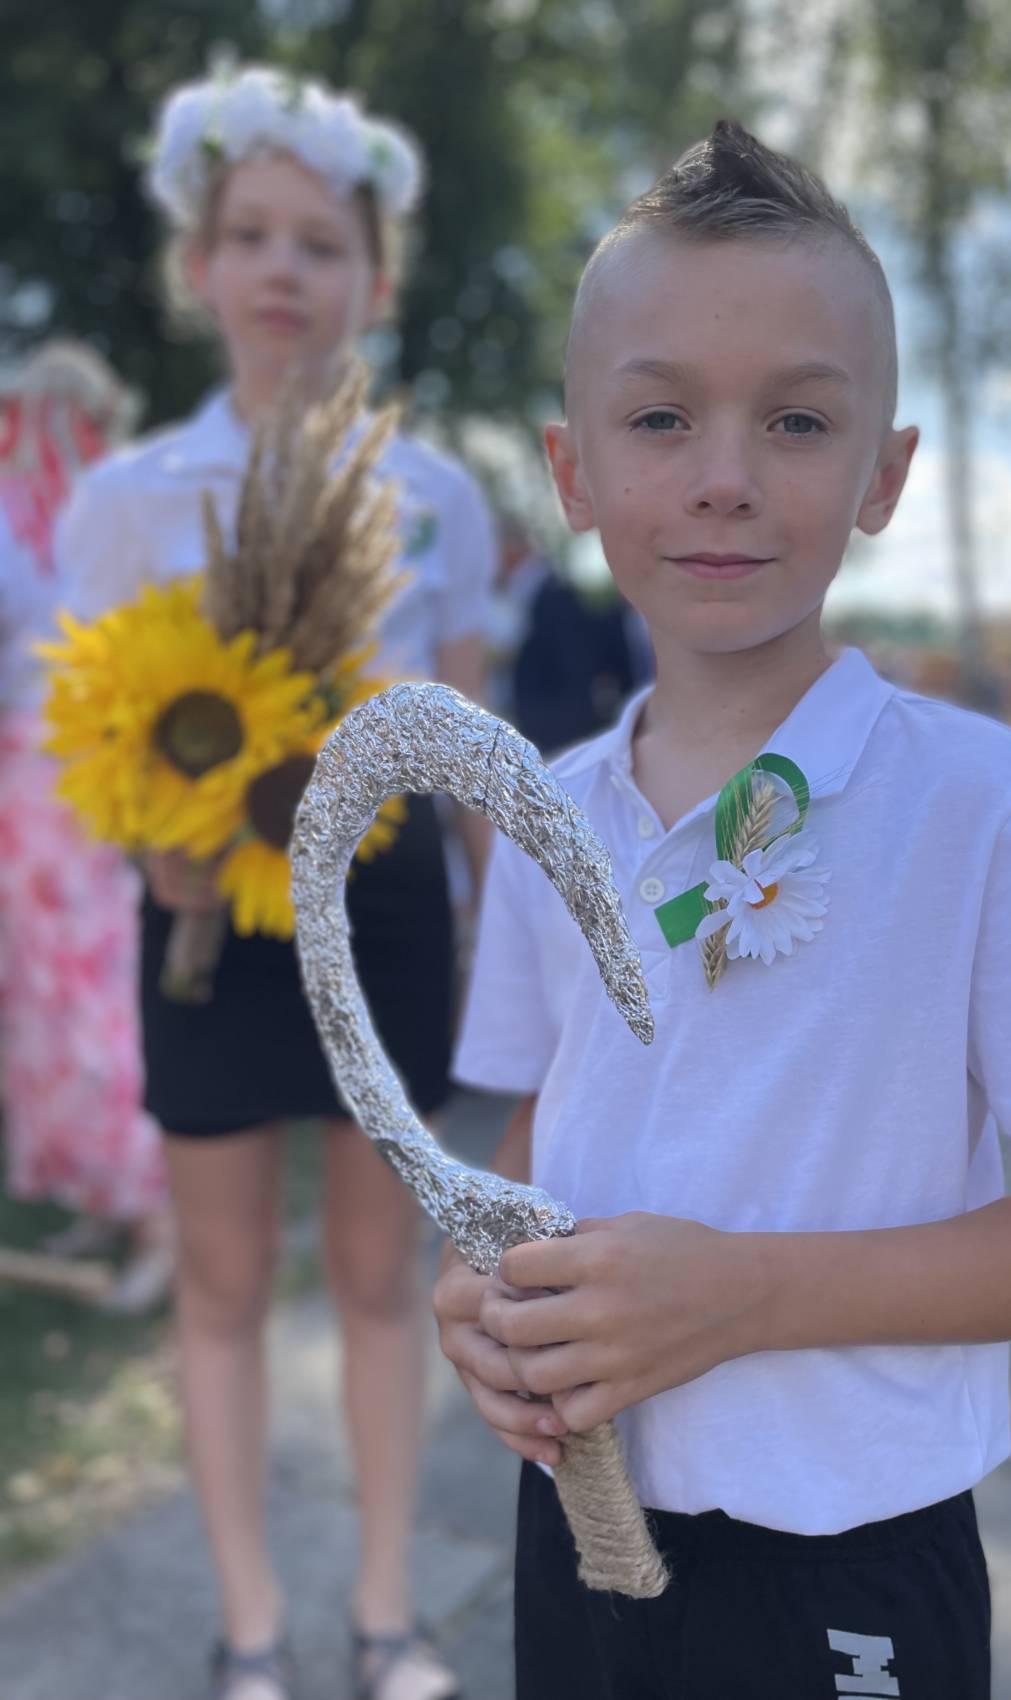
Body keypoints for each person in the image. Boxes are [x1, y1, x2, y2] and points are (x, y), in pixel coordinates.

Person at [435, 122, 1011, 1700]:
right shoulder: (538, 810)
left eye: (794, 419)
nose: (723, 477)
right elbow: (535, 1134)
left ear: (882, 475)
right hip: (578, 1508)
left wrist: (748, 1298)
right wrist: (490, 1298)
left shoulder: (972, 802)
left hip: (847, 1542)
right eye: (659, 417)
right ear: (572, 471)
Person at [56, 66, 494, 1700]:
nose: (284, 270)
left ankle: (383, 1612)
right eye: (250, 234)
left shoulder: (438, 499)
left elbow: (467, 762)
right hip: (204, 921)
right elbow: (88, 740)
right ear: (199, 264)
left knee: (382, 1278)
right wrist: (152, 855)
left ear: (375, 280)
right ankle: (249, 1623)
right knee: (225, 1282)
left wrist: (507, 953)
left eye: (322, 242)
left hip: (387, 917)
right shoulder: (125, 503)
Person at [0, 341, 173, 1313]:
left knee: (75, 994)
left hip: (47, 779)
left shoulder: (34, 519)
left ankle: (154, 1215)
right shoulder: (107, 515)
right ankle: (110, 1202)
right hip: (74, 777)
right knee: (67, 990)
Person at [488, 513, 651, 757]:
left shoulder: (556, 599)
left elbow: (577, 682)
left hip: (558, 749)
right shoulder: (530, 597)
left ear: (509, 551)